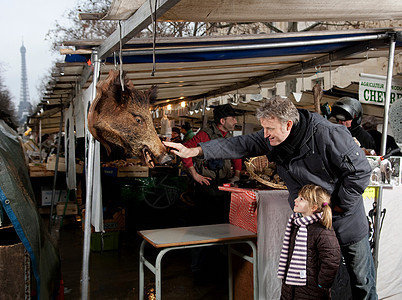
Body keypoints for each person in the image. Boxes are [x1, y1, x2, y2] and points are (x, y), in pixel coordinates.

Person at [164, 96, 377, 299]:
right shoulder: (274, 135)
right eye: (264, 128)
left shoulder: (327, 133)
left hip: (345, 221)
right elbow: (240, 145)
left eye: (269, 129)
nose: (265, 135)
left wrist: (338, 206)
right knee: (314, 283)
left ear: (288, 125)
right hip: (310, 224)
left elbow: (360, 171)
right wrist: (195, 151)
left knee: (360, 280)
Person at [278, 184, 341, 300]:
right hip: (291, 288)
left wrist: (322, 283)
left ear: (313, 207)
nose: (295, 200)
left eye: (301, 199)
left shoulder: (322, 231)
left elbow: (332, 259)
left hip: (312, 291)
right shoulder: (297, 225)